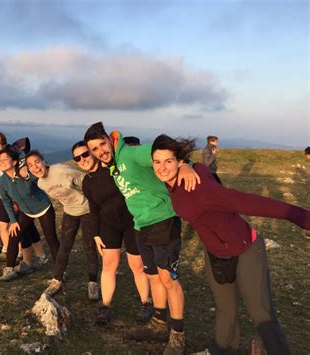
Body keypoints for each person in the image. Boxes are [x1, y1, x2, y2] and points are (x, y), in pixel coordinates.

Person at [151, 134, 310, 355]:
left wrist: (301, 217)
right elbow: (203, 167)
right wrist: (190, 165)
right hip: (215, 253)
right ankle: (223, 350)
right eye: (157, 162)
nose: (162, 168)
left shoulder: (200, 188)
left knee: (261, 312)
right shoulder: (176, 182)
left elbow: (247, 202)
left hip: (246, 249)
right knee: (225, 309)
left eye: (168, 161)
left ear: (178, 161)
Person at [84, 122, 199, 354]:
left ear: (111, 140)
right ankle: (158, 324)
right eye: (94, 150)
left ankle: (177, 336)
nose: (100, 152)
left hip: (163, 221)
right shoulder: (114, 166)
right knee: (153, 277)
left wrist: (185, 165)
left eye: (102, 145)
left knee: (169, 281)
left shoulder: (131, 154)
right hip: (141, 226)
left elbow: (164, 153)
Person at [71, 140, 152, 325]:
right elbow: (94, 208)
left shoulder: (113, 168)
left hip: (132, 222)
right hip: (108, 226)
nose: (82, 159)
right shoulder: (87, 183)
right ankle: (105, 306)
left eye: (85, 154)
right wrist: (96, 234)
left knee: (137, 265)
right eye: (77, 158)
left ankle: (146, 303)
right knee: (108, 265)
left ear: (93, 153)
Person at [25, 150, 100, 300]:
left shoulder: (61, 170)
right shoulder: (41, 183)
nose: (35, 167)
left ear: (44, 161)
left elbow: (86, 180)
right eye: (30, 165)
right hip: (70, 212)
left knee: (89, 247)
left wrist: (95, 204)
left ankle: (93, 283)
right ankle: (57, 279)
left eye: (37, 162)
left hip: (87, 211)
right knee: (64, 246)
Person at [0, 147, 60, 281]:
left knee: (51, 239)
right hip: (25, 211)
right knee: (14, 235)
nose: (1, 162)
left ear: (14, 162)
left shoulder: (24, 172)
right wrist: (13, 221)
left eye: (5, 159)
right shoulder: (2, 181)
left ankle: (60, 272)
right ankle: (9, 270)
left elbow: (38, 174)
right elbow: (6, 202)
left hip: (43, 207)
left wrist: (26, 173)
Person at [0, 132, 43, 261]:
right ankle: (12, 251)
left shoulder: (14, 156)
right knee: (4, 225)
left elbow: (23, 163)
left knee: (22, 227)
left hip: (19, 197)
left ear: (4, 143)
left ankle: (22, 254)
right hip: (6, 197)